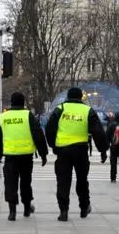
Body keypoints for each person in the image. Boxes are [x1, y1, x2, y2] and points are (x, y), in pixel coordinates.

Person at [45, 87, 108, 222]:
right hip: (81, 151)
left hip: (63, 151)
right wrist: (103, 150)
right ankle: (84, 207)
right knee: (82, 180)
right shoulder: (87, 111)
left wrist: (53, 146)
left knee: (63, 181)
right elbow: (98, 131)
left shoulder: (60, 109)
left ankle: (63, 210)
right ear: (81, 97)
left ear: (68, 96)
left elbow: (49, 128)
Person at [0, 92, 48, 221]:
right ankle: (27, 208)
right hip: (26, 156)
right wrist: (43, 153)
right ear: (23, 102)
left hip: (10, 156)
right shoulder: (27, 115)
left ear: (11, 102)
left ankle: (12, 212)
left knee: (10, 183)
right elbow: (38, 134)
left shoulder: (3, 117)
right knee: (25, 183)